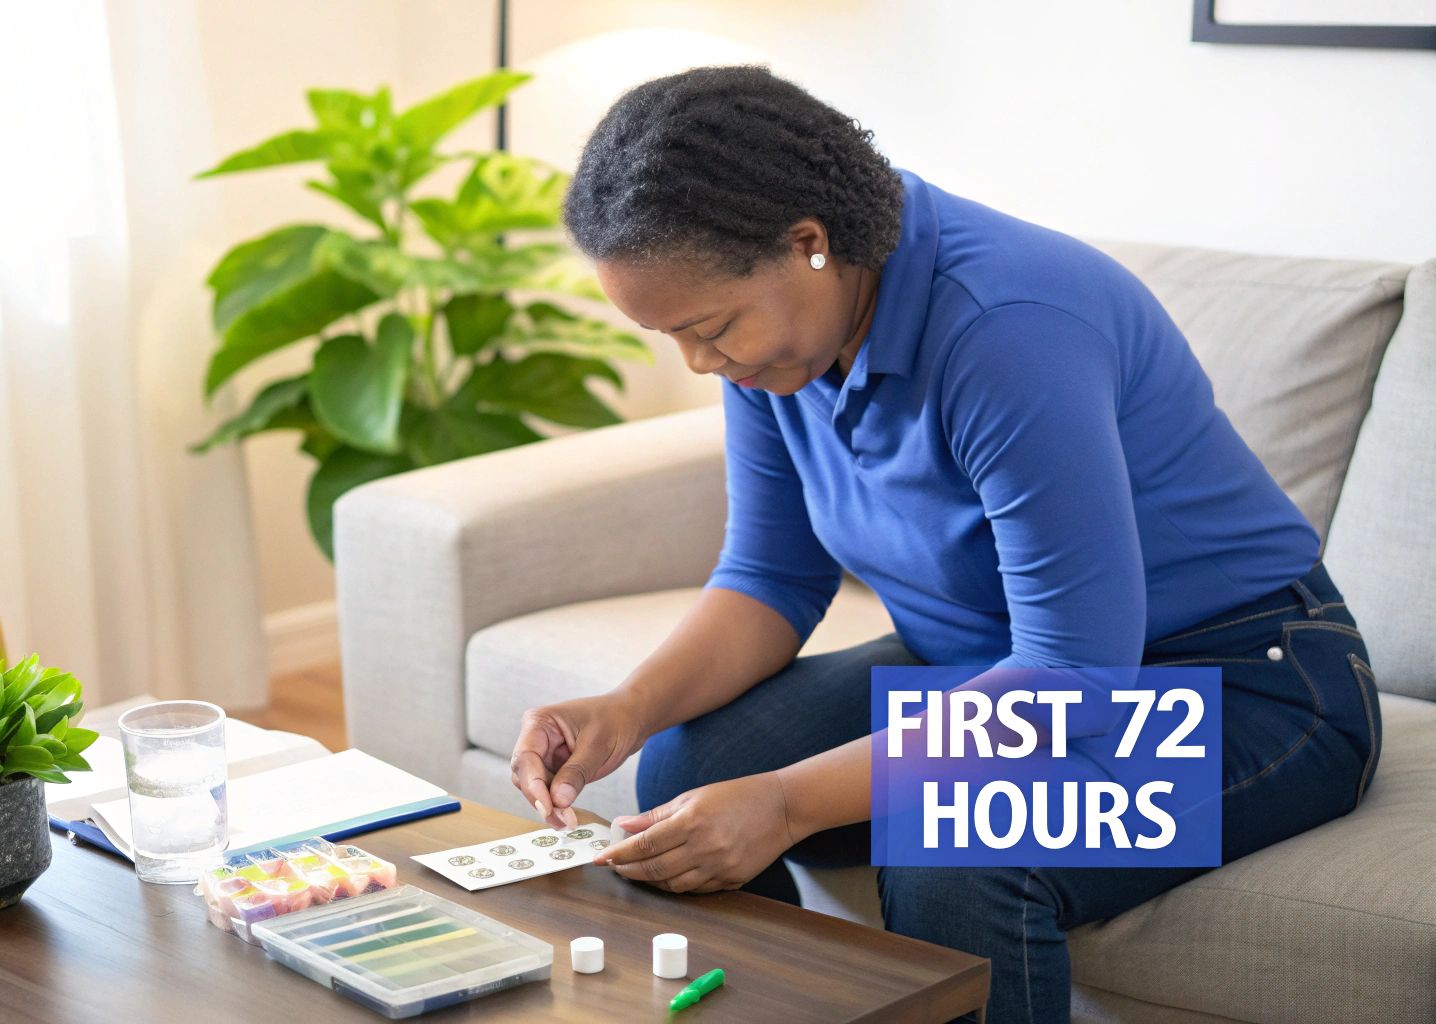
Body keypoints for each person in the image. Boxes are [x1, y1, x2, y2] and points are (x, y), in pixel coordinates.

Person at [508, 65, 1381, 1024]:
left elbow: (1072, 678)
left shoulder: (1009, 328)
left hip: (1233, 681)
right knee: (688, 768)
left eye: (709, 328)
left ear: (808, 243)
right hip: (990, 661)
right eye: (672, 335)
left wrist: (788, 803)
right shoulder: (782, 339)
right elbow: (771, 578)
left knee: (955, 844)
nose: (701, 362)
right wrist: (624, 710)